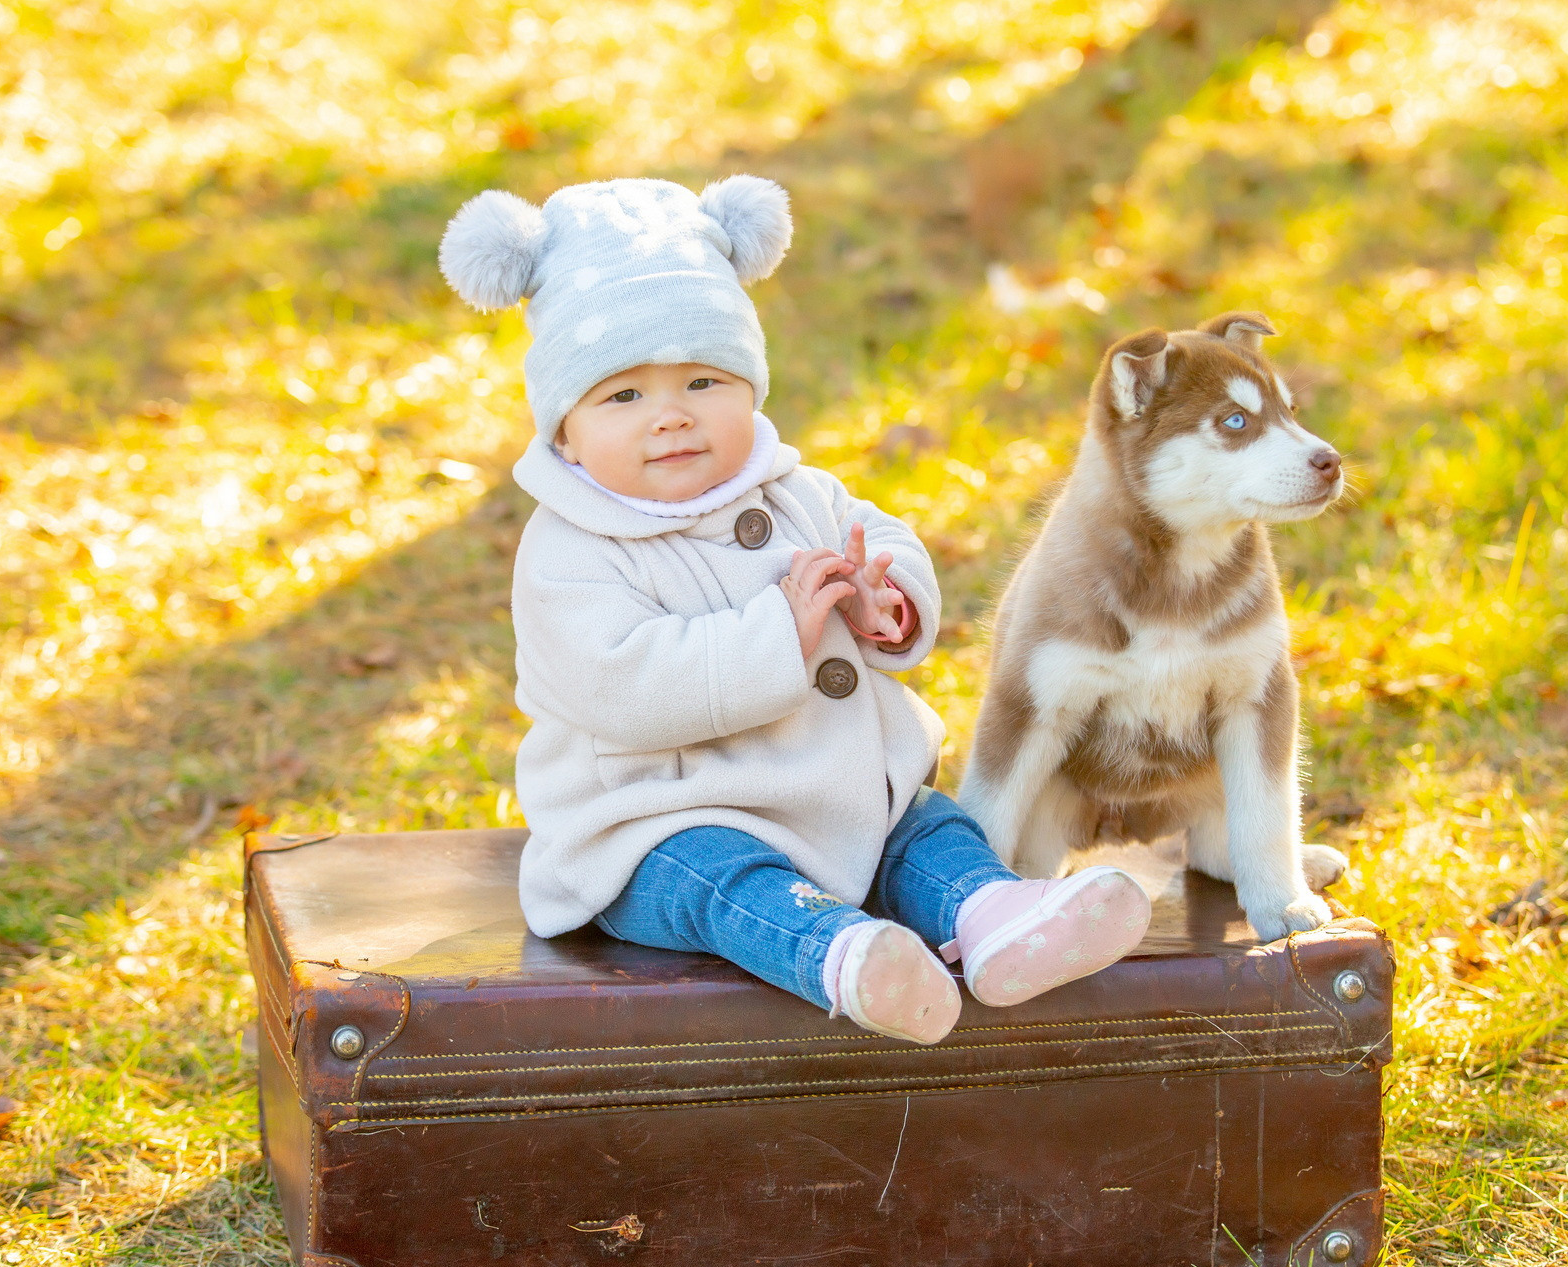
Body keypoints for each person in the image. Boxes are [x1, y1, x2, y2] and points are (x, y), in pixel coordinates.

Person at [438, 175, 1149, 1044]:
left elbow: (883, 540)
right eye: (623, 396)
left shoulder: (798, 492)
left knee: (925, 828)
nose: (670, 418)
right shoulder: (571, 551)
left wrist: (886, 600)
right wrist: (781, 630)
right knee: (721, 882)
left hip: (844, 793)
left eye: (703, 381)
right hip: (660, 821)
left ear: (750, 387)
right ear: (563, 431)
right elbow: (621, 683)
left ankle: (997, 916)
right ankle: (847, 956)